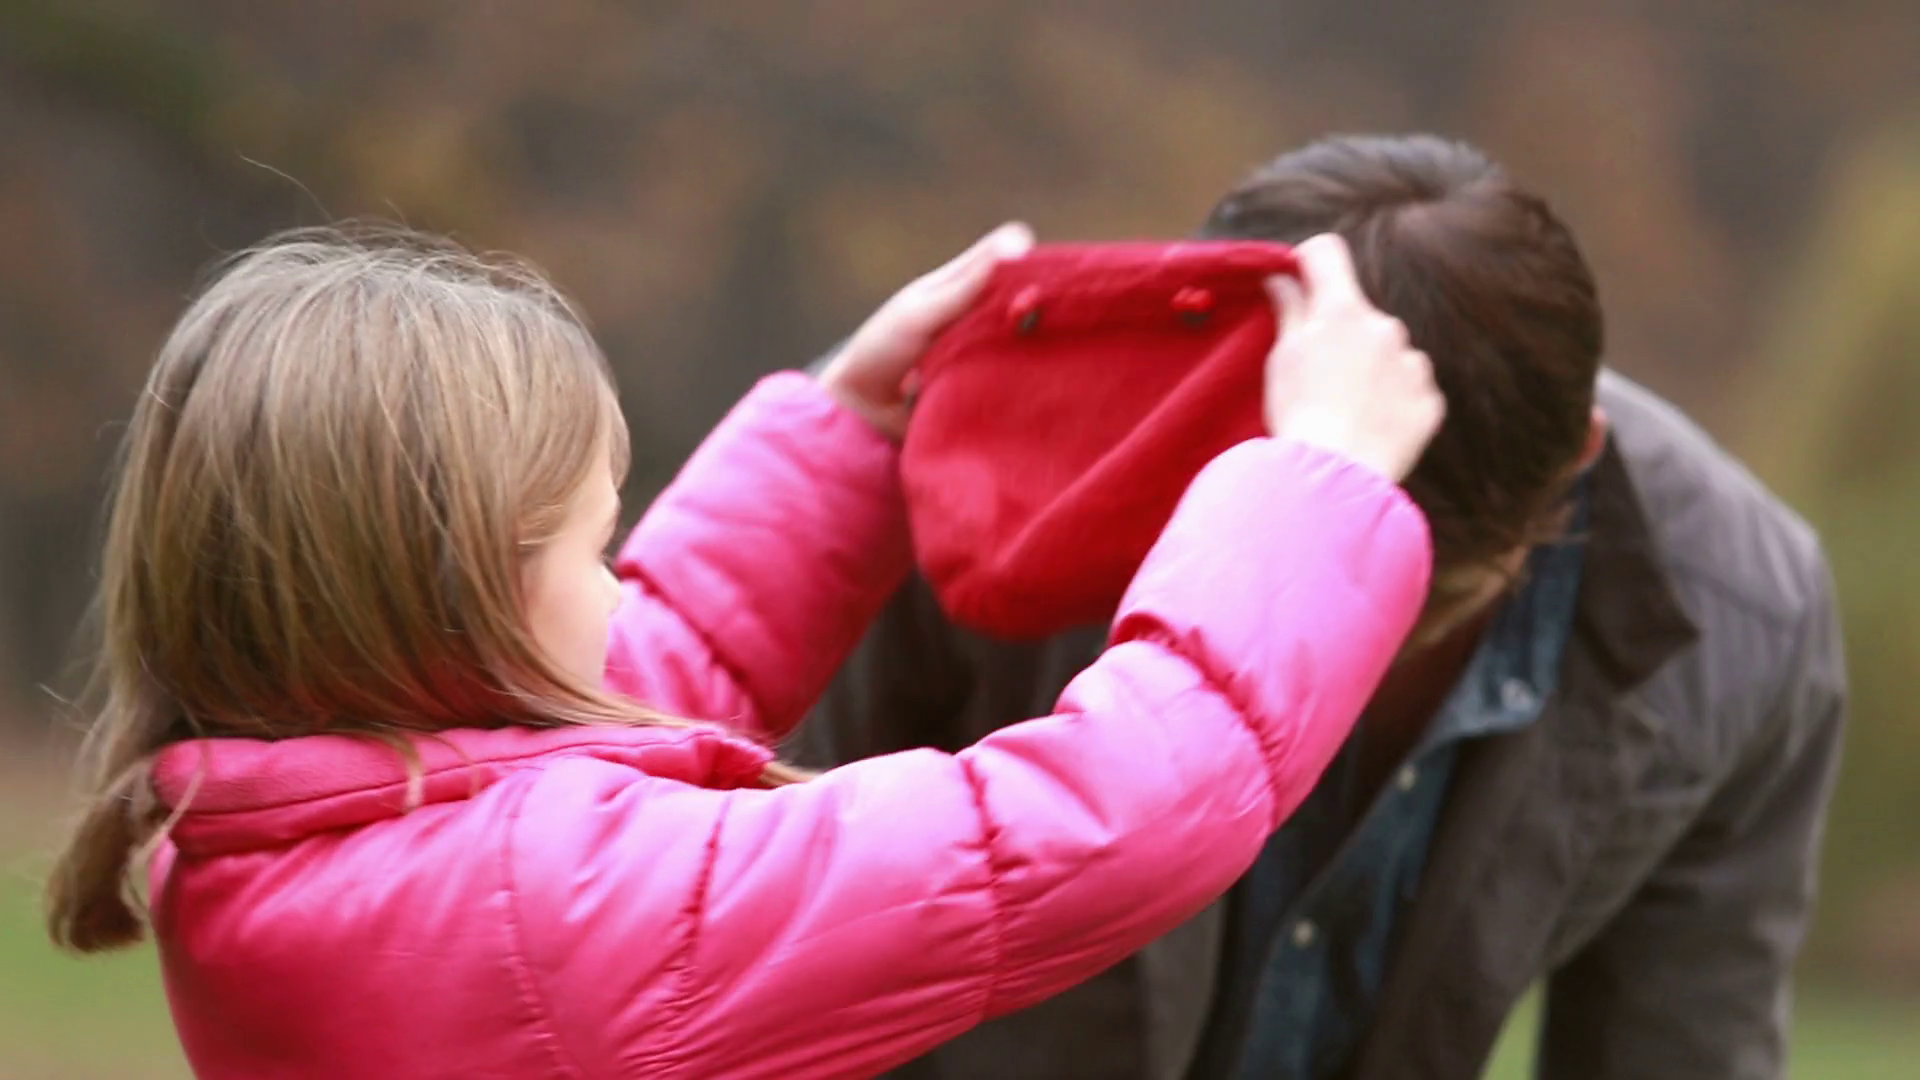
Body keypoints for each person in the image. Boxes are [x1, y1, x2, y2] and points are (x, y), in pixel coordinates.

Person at [42, 221, 1444, 1079]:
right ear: (461, 601)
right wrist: (1311, 483)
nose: (615, 586)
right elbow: (1085, 825)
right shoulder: (559, 922)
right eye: (594, 544)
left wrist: (847, 427)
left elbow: (593, 723)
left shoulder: (269, 840)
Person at [796, 134, 1849, 1080]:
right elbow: (761, 942)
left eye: (1407, 605)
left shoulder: (1749, 617)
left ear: (1577, 459)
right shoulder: (936, 470)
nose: (1335, 662)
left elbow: (1680, 1047)